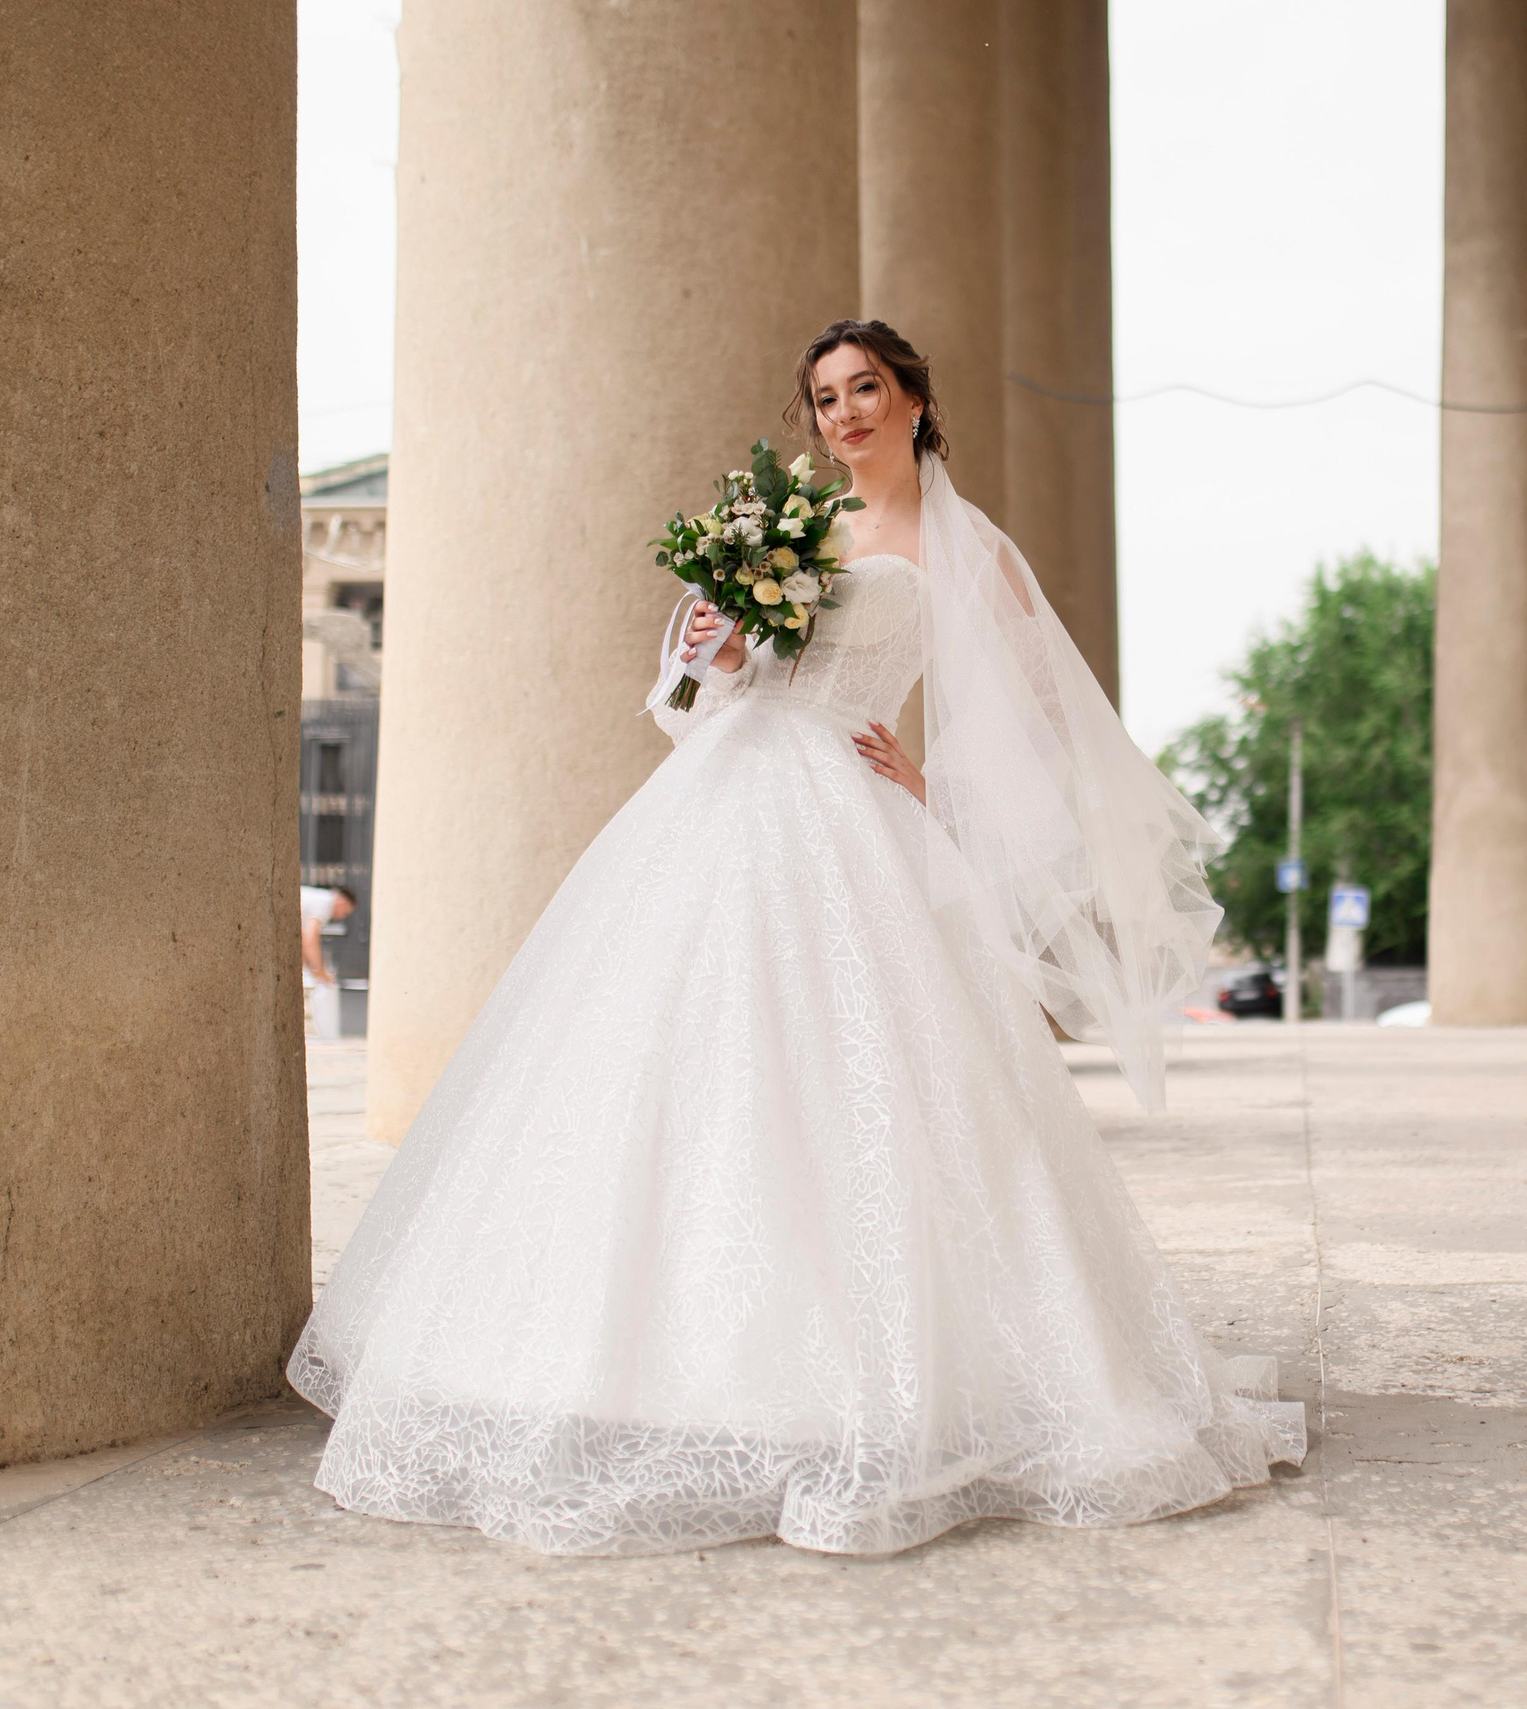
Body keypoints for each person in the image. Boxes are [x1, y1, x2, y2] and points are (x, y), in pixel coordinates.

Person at [288, 319, 1304, 1558]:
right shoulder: (794, 530)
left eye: (866, 388)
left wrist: (938, 794)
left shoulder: (966, 548)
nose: (844, 414)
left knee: (858, 1081)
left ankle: (864, 1370)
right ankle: (655, 1362)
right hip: (720, 805)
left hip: (848, 817)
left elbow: (1041, 713)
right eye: (824, 398)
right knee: (677, 1066)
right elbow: (700, 697)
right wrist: (703, 650)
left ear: (916, 397)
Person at [299, 884, 357, 1039]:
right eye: (345, 913)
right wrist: (321, 973)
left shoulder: (319, 898)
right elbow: (310, 940)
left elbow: (302, 943)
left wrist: (314, 971)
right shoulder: (324, 903)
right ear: (342, 903)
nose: (340, 917)